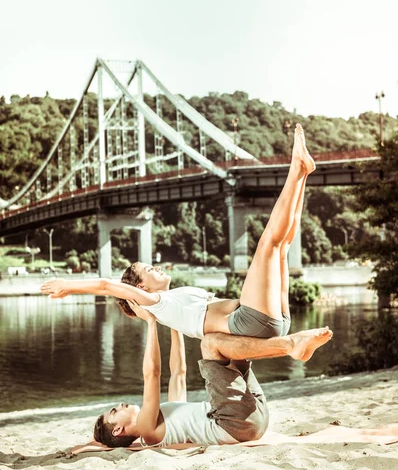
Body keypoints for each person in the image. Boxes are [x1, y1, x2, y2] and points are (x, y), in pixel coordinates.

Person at [41, 124, 315, 343]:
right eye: (148, 268)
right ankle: (295, 168)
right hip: (253, 320)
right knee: (268, 242)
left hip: (270, 319)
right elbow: (105, 286)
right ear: (141, 288)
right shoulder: (156, 304)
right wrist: (69, 285)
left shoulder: (171, 302)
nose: (156, 267)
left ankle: (302, 173)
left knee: (283, 246)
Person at [93, 302, 333, 449]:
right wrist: (151, 323)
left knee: (227, 338)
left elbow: (178, 372)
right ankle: (289, 345)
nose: (120, 405)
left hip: (251, 414)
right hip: (235, 424)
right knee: (210, 343)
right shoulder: (147, 430)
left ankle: (287, 337)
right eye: (115, 412)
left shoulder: (162, 418)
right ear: (118, 431)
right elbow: (152, 374)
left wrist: (173, 320)